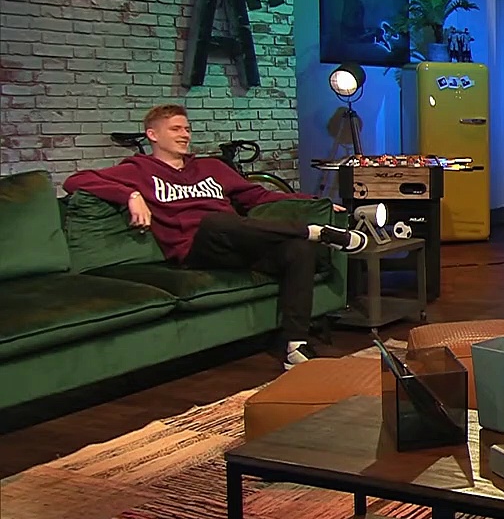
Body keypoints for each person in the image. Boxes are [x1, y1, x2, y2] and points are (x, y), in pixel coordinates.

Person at [62, 105, 369, 371]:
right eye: (176, 129)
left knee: (298, 250)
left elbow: (257, 196)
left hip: (238, 240)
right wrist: (131, 195)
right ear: (152, 135)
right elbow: (76, 180)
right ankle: (315, 232)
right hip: (196, 249)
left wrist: (314, 202)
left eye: (187, 129)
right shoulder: (138, 170)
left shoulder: (210, 167)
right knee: (215, 222)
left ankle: (294, 346)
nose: (185, 135)